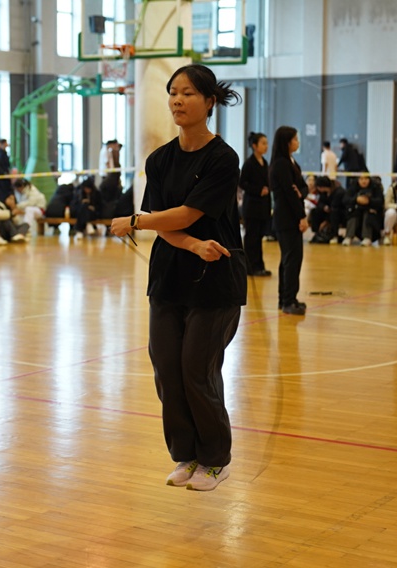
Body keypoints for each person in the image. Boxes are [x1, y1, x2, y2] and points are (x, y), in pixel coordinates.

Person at [110, 63, 246, 492]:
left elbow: (185, 214)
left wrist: (136, 220)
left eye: (188, 93)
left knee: (196, 369)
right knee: (168, 368)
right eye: (173, 92)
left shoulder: (223, 158)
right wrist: (190, 244)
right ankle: (186, 455)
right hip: (170, 275)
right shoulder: (160, 159)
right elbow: (165, 223)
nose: (177, 101)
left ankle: (215, 460)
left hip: (215, 278)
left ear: (209, 102)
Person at [269, 126, 309, 315]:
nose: (297, 142)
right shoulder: (280, 164)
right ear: (286, 142)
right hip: (286, 218)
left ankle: (287, 298)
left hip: (290, 218)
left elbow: (303, 188)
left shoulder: (292, 162)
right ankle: (287, 300)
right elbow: (289, 194)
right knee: (291, 260)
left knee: (290, 259)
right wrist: (302, 216)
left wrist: (301, 192)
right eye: (295, 139)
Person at [239, 132, 272, 276]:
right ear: (254, 146)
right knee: (251, 238)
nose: (266, 146)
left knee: (259, 238)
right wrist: (258, 190)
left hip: (262, 206)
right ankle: (250, 267)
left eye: (266, 143)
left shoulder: (265, 162)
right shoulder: (249, 163)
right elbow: (242, 183)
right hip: (252, 206)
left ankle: (259, 266)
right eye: (263, 143)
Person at [342, 173, 384, 247]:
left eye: (366, 179)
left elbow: (380, 201)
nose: (364, 181)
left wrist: (369, 201)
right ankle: (349, 237)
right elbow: (345, 200)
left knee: (368, 214)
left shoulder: (375, 187)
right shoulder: (353, 187)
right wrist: (356, 199)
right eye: (361, 179)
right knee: (353, 214)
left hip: (371, 213)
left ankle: (367, 237)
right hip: (356, 211)